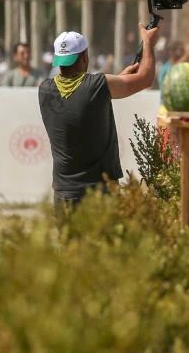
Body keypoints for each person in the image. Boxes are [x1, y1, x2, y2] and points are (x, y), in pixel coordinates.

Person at [39, 26, 159, 213]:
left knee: (69, 242)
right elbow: (145, 79)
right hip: (99, 192)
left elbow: (84, 96)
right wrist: (149, 42)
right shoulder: (98, 86)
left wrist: (117, 79)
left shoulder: (45, 90)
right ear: (85, 56)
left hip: (64, 192)